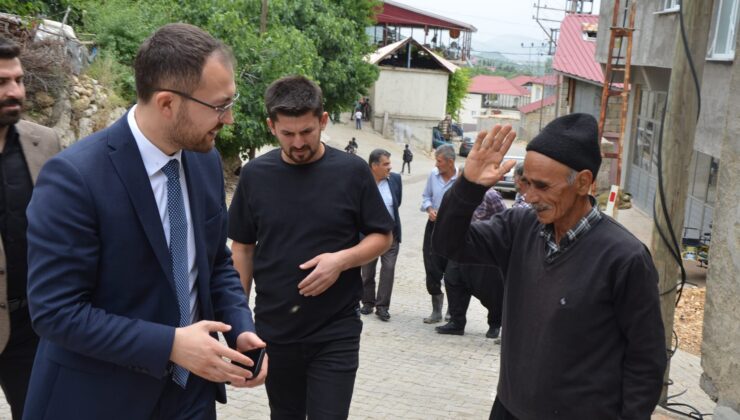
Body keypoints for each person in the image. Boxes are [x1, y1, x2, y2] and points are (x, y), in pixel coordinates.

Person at [24, 24, 267, 420]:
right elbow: (56, 312)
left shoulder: (204, 161)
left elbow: (214, 261)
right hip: (100, 400)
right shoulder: (74, 178)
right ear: (168, 103)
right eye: (220, 106)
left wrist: (240, 326)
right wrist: (170, 344)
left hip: (192, 399)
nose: (230, 119)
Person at [433, 114, 666, 420]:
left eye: (542, 186)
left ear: (583, 182)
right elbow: (450, 245)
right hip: (509, 409)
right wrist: (468, 186)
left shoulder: (624, 258)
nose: (529, 197)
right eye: (525, 183)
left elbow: (645, 360)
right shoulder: (519, 227)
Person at [228, 75, 393, 419]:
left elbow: (382, 236)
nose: (298, 142)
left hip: (335, 332)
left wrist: (341, 261)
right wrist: (238, 320)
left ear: (323, 120)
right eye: (288, 134)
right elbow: (242, 249)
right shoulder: (256, 175)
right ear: (271, 126)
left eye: (307, 131)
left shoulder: (351, 172)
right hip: (275, 331)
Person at [0, 37, 60, 420]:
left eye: (18, 80)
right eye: (3, 82)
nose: (15, 92)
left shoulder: (46, 143)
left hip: (32, 328)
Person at [435, 187, 506, 339]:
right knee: (452, 280)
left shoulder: (491, 195)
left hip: (481, 250)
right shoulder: (459, 196)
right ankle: (456, 322)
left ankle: (495, 323)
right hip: (460, 247)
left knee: (488, 291)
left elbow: (503, 221)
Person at [360, 149, 402, 322]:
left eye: (389, 163)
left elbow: (397, 202)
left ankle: (382, 306)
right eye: (385, 164)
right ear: (374, 166)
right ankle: (368, 302)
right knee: (367, 271)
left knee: (388, 270)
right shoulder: (363, 182)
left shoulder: (396, 180)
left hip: (391, 234)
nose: (389, 167)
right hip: (369, 235)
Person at [420, 143, 459, 324]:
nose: (436, 164)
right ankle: (436, 310)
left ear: (450, 162)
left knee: (453, 271)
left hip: (455, 229)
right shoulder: (433, 175)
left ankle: (453, 310)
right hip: (434, 227)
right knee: (432, 267)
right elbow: (426, 196)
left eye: (439, 161)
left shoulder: (462, 179)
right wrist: (429, 209)